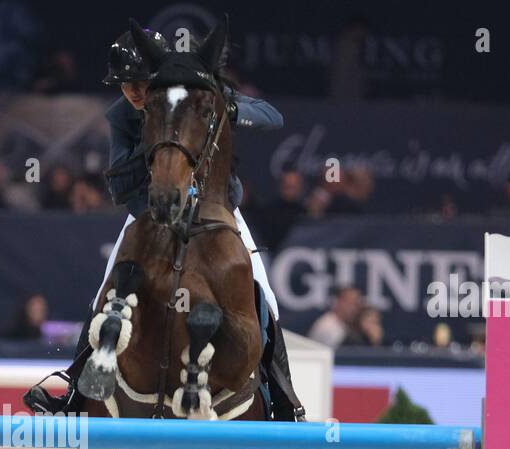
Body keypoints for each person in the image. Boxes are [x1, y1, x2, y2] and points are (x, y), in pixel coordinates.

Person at [24, 27, 305, 422]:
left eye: (141, 83)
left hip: (219, 211)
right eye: (125, 86)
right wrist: (157, 148)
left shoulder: (197, 94)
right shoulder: (121, 116)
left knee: (266, 297)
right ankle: (73, 389)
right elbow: (124, 187)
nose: (134, 93)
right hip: (151, 211)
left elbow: (273, 117)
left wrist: (228, 108)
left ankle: (281, 398)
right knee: (103, 296)